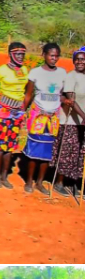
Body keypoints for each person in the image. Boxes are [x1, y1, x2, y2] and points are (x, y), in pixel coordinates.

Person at [21, 43, 67, 195]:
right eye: (51, 55)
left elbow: (63, 95)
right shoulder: (35, 73)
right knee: (34, 150)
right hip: (37, 116)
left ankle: (40, 182)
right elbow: (28, 95)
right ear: (44, 55)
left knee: (48, 152)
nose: (54, 58)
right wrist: (22, 112)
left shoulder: (62, 73)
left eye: (56, 56)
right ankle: (29, 181)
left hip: (54, 117)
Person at [0, 42, 30, 189]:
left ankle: (5, 176)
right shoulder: (1, 70)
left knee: (10, 147)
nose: (20, 57)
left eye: (22, 54)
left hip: (17, 113)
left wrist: (23, 108)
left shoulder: (24, 70)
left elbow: (27, 91)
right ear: (10, 54)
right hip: (2, 112)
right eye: (17, 54)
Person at [52, 47, 85, 197]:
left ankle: (74, 184)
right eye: (77, 59)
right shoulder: (71, 77)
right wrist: (84, 116)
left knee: (80, 155)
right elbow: (71, 100)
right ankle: (59, 182)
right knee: (66, 154)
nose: (80, 61)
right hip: (71, 121)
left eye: (83, 58)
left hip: (83, 123)